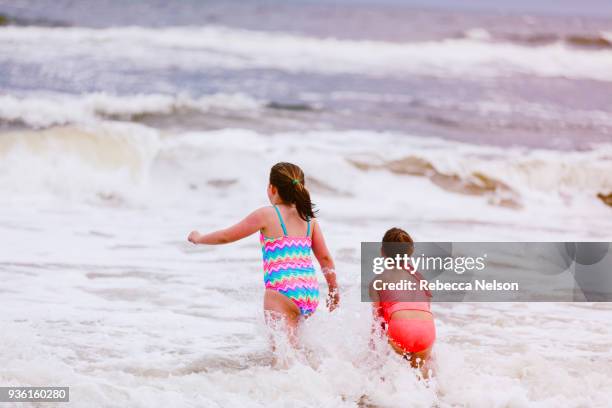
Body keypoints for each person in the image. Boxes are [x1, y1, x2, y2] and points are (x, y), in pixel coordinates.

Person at [188, 162, 339, 347]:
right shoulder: (308, 219)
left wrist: (200, 238)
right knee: (297, 351)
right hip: (308, 291)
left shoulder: (267, 214)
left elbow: (226, 236)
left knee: (282, 356)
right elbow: (325, 258)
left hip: (282, 290)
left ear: (272, 188)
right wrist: (333, 290)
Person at [369, 228, 435, 377]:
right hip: (426, 332)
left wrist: (372, 356)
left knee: (395, 378)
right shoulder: (421, 279)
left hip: (401, 330)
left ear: (382, 252)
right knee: (418, 378)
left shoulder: (379, 281)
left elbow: (378, 322)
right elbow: (424, 310)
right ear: (410, 252)